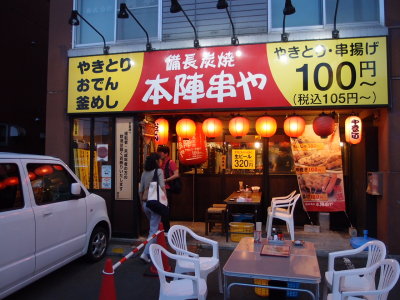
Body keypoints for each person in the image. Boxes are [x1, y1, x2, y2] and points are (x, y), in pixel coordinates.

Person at [138, 152, 166, 263]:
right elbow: (163, 188)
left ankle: (153, 250)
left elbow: (140, 191)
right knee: (154, 230)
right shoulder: (159, 171)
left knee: (152, 228)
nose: (161, 161)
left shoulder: (144, 173)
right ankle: (145, 253)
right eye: (160, 160)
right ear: (156, 161)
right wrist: (165, 202)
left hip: (145, 204)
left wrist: (141, 204)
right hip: (155, 204)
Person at [157, 145, 179, 232]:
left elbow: (176, 174)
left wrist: (166, 180)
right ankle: (162, 228)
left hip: (167, 189)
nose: (159, 154)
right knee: (161, 208)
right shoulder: (160, 162)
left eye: (160, 153)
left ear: (166, 154)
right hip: (160, 188)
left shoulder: (171, 162)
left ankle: (166, 229)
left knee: (165, 208)